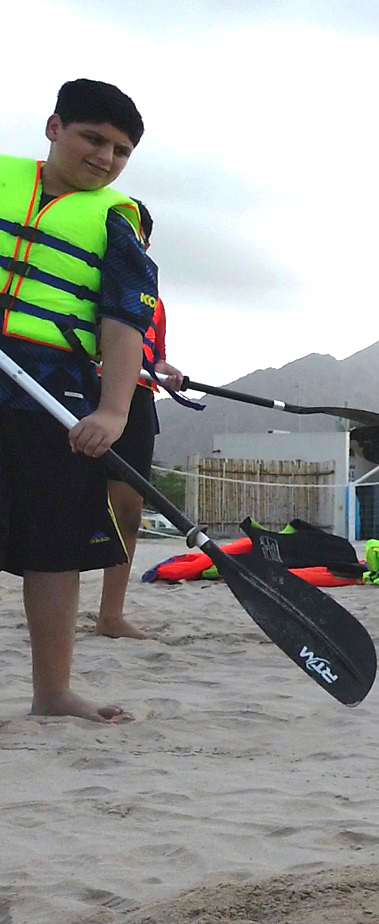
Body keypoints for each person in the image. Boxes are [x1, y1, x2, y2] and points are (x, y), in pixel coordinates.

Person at [0, 79, 156, 723]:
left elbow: (124, 323)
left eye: (121, 150)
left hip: (51, 387)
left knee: (56, 542)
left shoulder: (119, 218)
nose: (106, 158)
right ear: (54, 127)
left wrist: (114, 412)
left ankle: (53, 693)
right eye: (94, 138)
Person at [95, 200, 189, 640]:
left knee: (127, 512)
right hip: (79, 390)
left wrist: (167, 370)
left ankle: (110, 616)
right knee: (61, 505)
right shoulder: (84, 274)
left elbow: (154, 355)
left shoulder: (154, 298)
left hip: (137, 400)